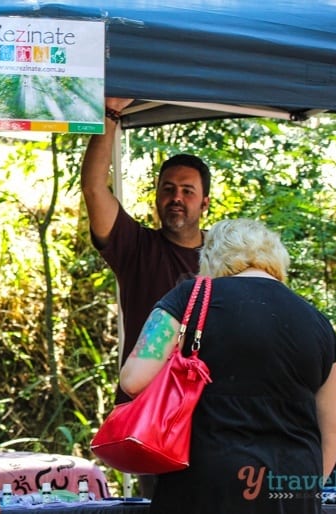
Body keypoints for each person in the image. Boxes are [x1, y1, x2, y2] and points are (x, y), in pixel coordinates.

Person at [119, 218, 336, 514]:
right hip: (292, 489)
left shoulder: (190, 299)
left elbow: (133, 380)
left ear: (211, 257)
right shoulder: (319, 323)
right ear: (275, 259)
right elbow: (335, 428)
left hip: (203, 484)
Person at [80, 97, 212, 406]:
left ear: (205, 203)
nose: (176, 197)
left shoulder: (227, 257)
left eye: (187, 191)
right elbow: (94, 187)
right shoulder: (136, 248)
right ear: (156, 196)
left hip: (205, 407)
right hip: (142, 407)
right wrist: (111, 112)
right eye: (168, 189)